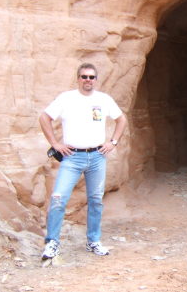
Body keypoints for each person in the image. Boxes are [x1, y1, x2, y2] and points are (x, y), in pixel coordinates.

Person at [39, 62, 126, 259]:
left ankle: (93, 241)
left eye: (91, 77)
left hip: (97, 156)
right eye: (84, 76)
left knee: (96, 200)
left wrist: (113, 142)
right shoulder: (66, 98)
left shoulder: (103, 99)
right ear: (78, 78)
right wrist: (55, 144)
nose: (88, 80)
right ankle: (52, 242)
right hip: (72, 157)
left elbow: (121, 119)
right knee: (58, 198)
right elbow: (44, 118)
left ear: (96, 80)